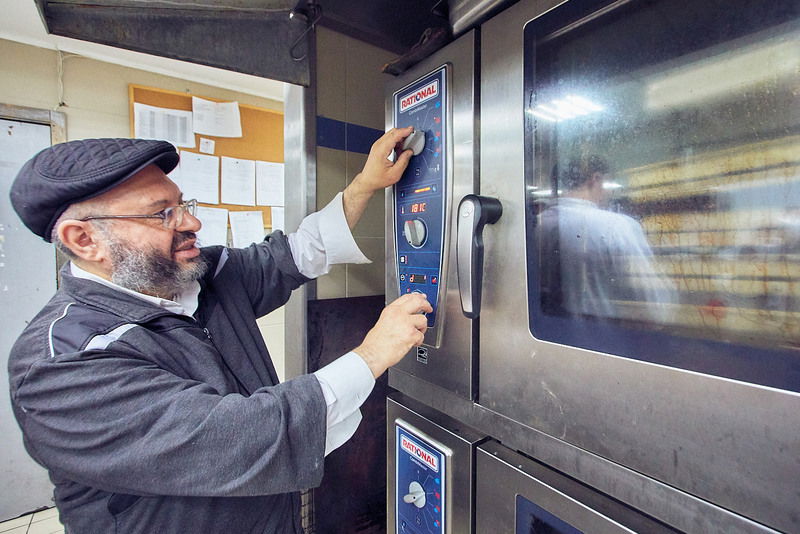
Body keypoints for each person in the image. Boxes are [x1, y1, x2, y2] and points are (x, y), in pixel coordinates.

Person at [6, 128, 431, 534]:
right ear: (84, 240)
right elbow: (243, 439)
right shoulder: (62, 365)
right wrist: (373, 353)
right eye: (162, 214)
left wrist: (365, 184)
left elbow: (294, 255)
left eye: (183, 204)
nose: (191, 223)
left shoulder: (195, 276)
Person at [536, 154, 675, 323]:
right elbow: (657, 304)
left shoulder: (538, 224)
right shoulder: (618, 227)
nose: (611, 192)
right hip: (605, 338)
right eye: (609, 184)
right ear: (596, 179)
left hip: (550, 330)